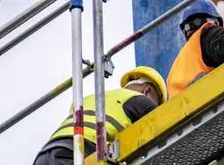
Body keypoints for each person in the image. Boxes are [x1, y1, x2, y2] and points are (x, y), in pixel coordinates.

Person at [33, 66, 166, 165]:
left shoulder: (90, 99)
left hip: (45, 154)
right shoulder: (139, 99)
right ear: (147, 90)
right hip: (80, 151)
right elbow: (163, 127)